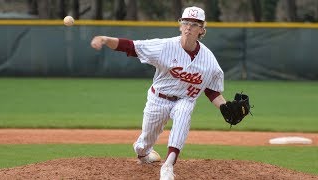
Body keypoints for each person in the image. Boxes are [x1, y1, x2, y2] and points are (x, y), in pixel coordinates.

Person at [91, 6, 227, 180]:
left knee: (184, 113)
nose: (188, 27)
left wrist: (225, 107)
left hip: (185, 99)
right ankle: (143, 152)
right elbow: (131, 47)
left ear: (202, 29)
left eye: (194, 24)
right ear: (180, 25)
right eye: (185, 22)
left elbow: (211, 90)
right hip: (158, 98)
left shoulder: (209, 60)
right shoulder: (165, 46)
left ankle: (168, 165)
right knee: (145, 142)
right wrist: (104, 38)